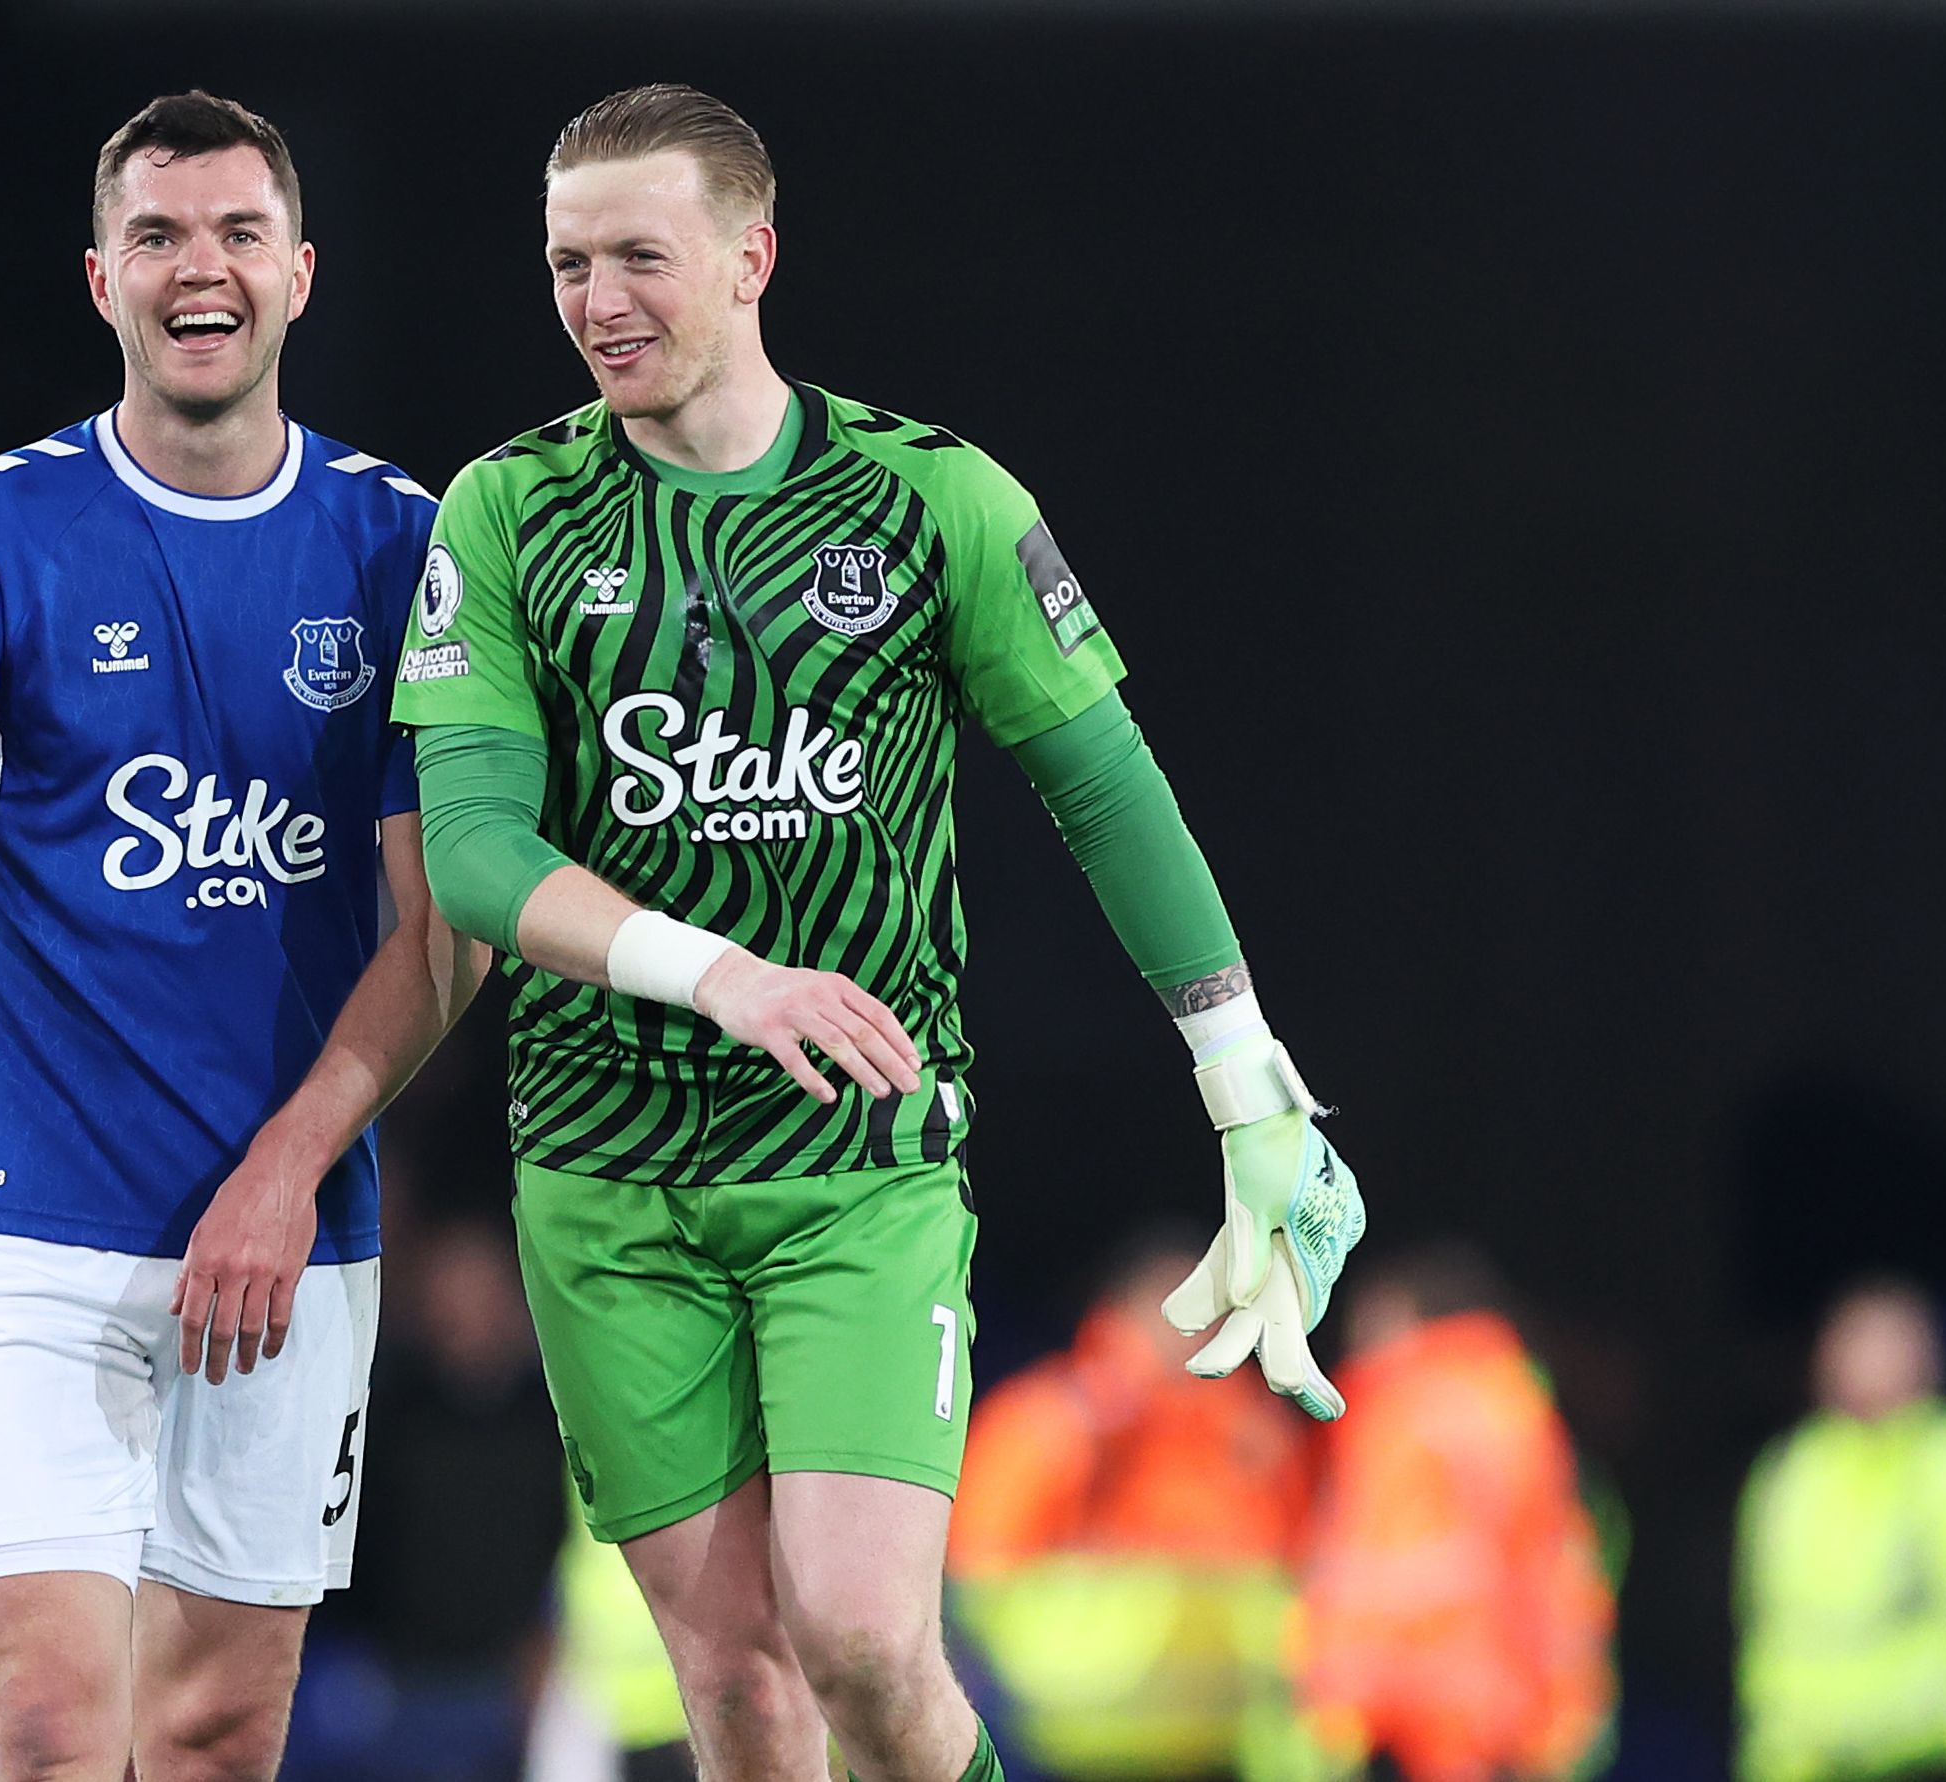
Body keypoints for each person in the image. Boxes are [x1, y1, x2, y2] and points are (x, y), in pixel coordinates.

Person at [391, 83, 1365, 1782]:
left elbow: (1105, 791)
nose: (595, 300)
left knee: (858, 1640)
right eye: (565, 264)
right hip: (604, 1175)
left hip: (859, 1162)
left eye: (638, 255)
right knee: (738, 1692)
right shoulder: (505, 513)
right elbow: (473, 853)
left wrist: (1243, 1076)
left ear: (752, 255)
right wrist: (721, 973)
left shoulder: (930, 499)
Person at [0, 91, 482, 1782]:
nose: (203, 269)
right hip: (18, 1238)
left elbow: (444, 929)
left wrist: (284, 1167)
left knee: (211, 1737)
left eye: (238, 233)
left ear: (301, 272)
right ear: (99, 277)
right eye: (161, 237)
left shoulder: (400, 546)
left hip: (288, 1238)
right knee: (50, 1728)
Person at [946, 1238, 1316, 1782]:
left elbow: (1286, 1569)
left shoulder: (1249, 1430)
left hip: (1216, 1741)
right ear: (1122, 1312)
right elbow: (978, 1575)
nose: (1201, 1330)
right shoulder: (1052, 1418)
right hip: (1060, 1736)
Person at [1292, 1251, 1610, 1782]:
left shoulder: (1402, 1406)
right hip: (1481, 1704)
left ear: (1407, 1317)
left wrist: (1336, 1699)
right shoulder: (1511, 1401)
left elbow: (1367, 1566)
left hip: (1418, 1708)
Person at [1737, 1277, 1946, 1782]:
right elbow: (1774, 1635)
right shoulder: (1796, 1473)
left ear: (1924, 1355)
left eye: (1884, 1344)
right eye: (1850, 1344)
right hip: (1823, 1763)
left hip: (1943, 1758)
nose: (1863, 1361)